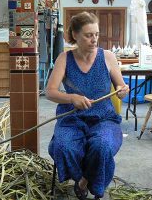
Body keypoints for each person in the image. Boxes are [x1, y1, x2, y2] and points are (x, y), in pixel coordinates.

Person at [46, 12, 129, 200]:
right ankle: (81, 177)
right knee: (63, 146)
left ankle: (85, 183)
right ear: (75, 35)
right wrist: (72, 97)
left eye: (96, 34)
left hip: (104, 118)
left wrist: (123, 90)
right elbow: (50, 92)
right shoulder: (64, 59)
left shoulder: (107, 57)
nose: (94, 40)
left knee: (102, 145)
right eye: (88, 35)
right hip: (72, 117)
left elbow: (121, 86)